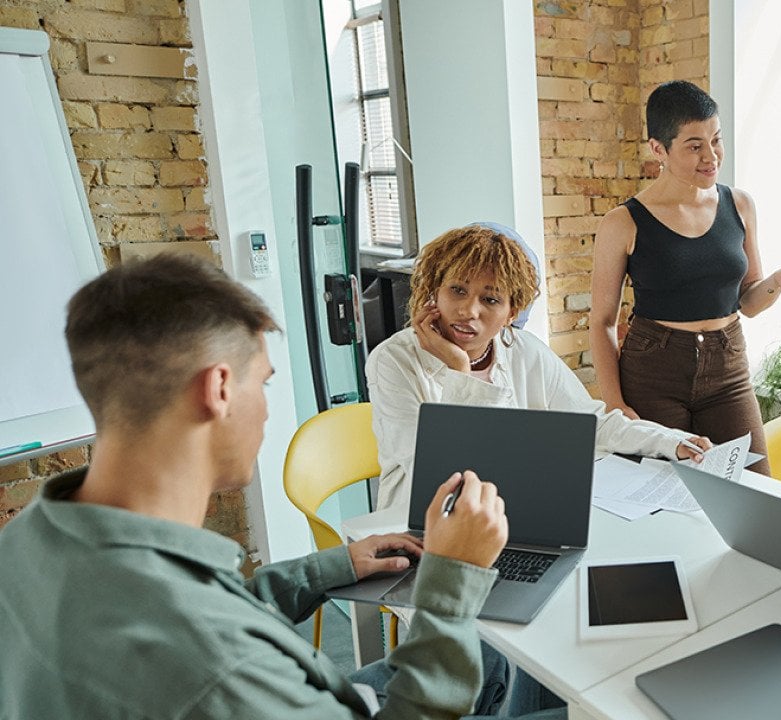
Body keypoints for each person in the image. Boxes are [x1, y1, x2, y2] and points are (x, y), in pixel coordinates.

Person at [0, 254, 562, 719]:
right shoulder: (218, 669)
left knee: (494, 666)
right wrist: (453, 579)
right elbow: (211, 650)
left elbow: (212, 608)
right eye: (263, 383)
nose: (267, 410)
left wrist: (331, 567)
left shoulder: (33, 536)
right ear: (218, 388)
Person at [367, 223, 711, 514]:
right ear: (434, 292)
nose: (468, 311)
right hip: (424, 524)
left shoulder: (524, 351)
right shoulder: (393, 362)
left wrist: (672, 442)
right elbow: (444, 474)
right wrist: (459, 371)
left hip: (512, 513)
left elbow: (589, 424)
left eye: (490, 299)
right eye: (457, 290)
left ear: (512, 312)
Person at [591, 80, 781, 477]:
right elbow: (601, 322)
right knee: (667, 494)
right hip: (654, 371)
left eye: (716, 140)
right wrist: (615, 403)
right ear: (659, 149)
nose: (711, 156)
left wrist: (778, 280)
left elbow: (749, 303)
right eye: (693, 145)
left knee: (756, 486)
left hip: (728, 368)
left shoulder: (739, 205)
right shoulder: (623, 222)